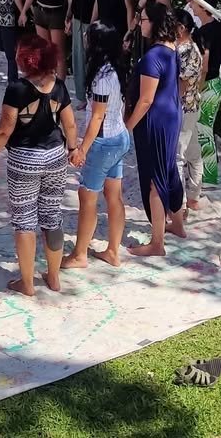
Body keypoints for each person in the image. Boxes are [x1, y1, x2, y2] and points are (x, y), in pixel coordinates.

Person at [0, 35, 78, 298]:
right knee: (52, 216)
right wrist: (73, 149)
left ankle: (28, 283)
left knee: (24, 220)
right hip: (55, 156)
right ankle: (54, 277)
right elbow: (70, 124)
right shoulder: (59, 86)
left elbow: (4, 130)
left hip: (24, 160)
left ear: (26, 59)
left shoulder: (17, 89)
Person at [63, 21, 131, 269]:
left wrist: (82, 149)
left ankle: (80, 254)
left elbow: (97, 118)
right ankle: (113, 250)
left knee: (87, 196)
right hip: (120, 136)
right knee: (114, 195)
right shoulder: (118, 68)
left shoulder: (102, 77)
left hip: (105, 142)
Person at [126, 1, 185, 256]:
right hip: (171, 116)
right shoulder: (172, 50)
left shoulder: (153, 56)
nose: (140, 24)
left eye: (143, 20)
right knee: (169, 170)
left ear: (155, 23)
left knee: (154, 180)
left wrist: (127, 127)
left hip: (156, 121)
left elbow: (146, 100)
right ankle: (178, 225)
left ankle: (157, 243)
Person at [184, 0, 221, 187]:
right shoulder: (214, 27)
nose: (190, 5)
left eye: (193, 2)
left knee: (203, 130)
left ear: (202, 5)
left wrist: (197, 89)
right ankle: (202, 173)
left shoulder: (206, 32)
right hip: (213, 84)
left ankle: (208, 176)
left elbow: (204, 65)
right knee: (201, 129)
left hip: (208, 85)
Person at [174, 9, 205, 211]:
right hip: (189, 107)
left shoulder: (188, 52)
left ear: (181, 28)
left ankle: (180, 205)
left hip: (185, 108)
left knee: (178, 156)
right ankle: (193, 196)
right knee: (193, 153)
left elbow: (182, 84)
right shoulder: (183, 48)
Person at [66, 0, 97, 107]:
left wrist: (92, 23)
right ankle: (82, 96)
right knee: (78, 58)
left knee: (91, 59)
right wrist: (68, 17)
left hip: (91, 22)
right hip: (77, 19)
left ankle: (94, 94)